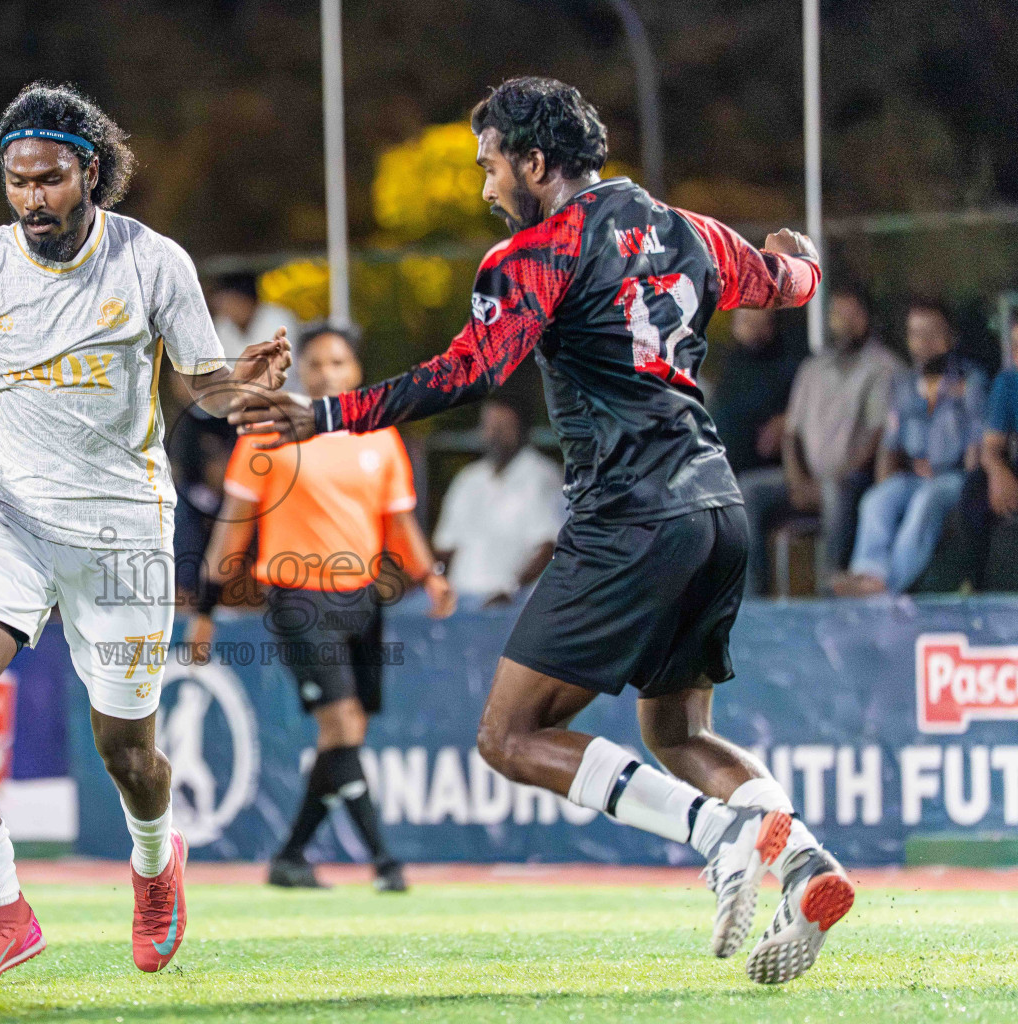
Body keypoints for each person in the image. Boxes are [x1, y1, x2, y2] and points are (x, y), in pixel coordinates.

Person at [230, 76, 852, 986]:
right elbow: (786, 279)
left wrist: (323, 414)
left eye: (491, 166)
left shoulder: (537, 252)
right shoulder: (691, 230)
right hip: (718, 509)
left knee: (510, 736)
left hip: (631, 513)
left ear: (534, 162)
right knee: (677, 732)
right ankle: (803, 863)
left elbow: (466, 372)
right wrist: (803, 263)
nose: (486, 187)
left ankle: (720, 835)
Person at [0, 83, 289, 983]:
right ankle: (3, 910)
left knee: (127, 755)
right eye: (15, 181)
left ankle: (157, 864)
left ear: (88, 172)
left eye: (47, 180)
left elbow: (203, 387)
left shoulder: (153, 262)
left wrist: (243, 385)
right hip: (12, 513)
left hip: (124, 526)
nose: (31, 199)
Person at [187, 323, 456, 891]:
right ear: (302, 373)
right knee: (340, 722)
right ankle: (385, 861)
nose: (326, 372)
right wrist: (206, 610)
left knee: (347, 731)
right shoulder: (264, 436)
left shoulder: (379, 437)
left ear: (356, 372)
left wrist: (429, 576)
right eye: (315, 364)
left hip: (361, 596)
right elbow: (230, 532)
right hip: (296, 597)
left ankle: (290, 857)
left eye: (337, 362)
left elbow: (400, 520)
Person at [737, 286, 900, 595]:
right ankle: (753, 601)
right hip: (804, 479)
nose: (842, 322)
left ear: (866, 318)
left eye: (851, 315)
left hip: (851, 480)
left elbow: (880, 435)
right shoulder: (813, 367)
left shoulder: (883, 367)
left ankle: (828, 598)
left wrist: (830, 479)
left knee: (836, 492)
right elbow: (791, 432)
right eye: (837, 315)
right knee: (748, 491)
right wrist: (797, 479)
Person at [834, 301, 987, 596]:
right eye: (916, 334)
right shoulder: (903, 383)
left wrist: (971, 483)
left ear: (950, 337)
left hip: (954, 478)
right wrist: (888, 480)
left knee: (925, 501)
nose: (923, 342)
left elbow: (977, 444)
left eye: (931, 333)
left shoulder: (971, 381)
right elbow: (891, 446)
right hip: (915, 474)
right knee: (877, 499)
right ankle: (869, 573)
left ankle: (888, 585)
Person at [432, 392, 565, 602]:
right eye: (489, 426)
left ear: (520, 428)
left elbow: (550, 547)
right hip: (461, 602)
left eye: (502, 427)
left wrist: (512, 589)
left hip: (512, 605)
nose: (493, 434)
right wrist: (431, 581)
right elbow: (445, 548)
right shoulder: (468, 480)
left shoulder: (541, 476)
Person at [709, 308, 802, 475]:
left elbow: (806, 409)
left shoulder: (789, 361)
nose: (749, 325)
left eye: (755, 317)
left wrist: (787, 421)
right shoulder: (730, 363)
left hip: (765, 469)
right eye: (744, 319)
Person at [977, 322, 1018, 588]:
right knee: (975, 491)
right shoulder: (1009, 383)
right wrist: (998, 472)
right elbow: (990, 448)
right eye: (1014, 345)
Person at [212, 272, 302, 390]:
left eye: (232, 301)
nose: (227, 308)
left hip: (284, 395)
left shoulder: (278, 319)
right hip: (241, 400)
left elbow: (285, 370)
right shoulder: (222, 326)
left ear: (248, 300)